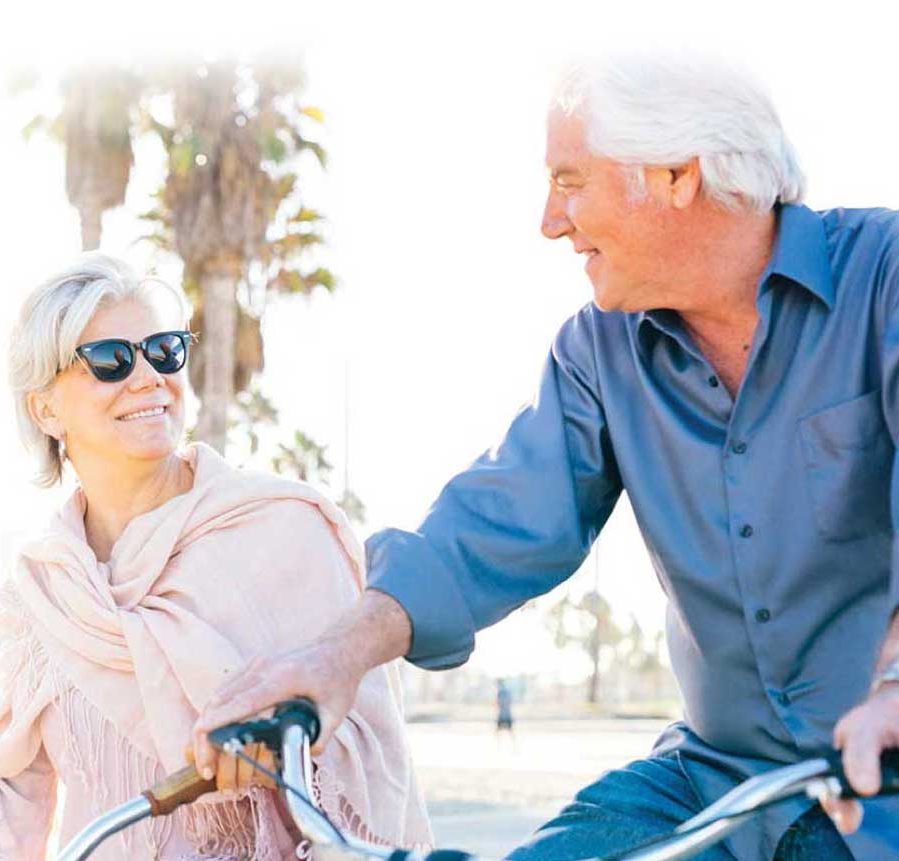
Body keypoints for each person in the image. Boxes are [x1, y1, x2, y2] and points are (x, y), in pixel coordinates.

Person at [191, 54, 899, 861]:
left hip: (881, 780)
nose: (550, 221)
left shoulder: (884, 277)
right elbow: (491, 527)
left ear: (675, 174)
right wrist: (333, 656)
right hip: (713, 777)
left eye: (570, 181)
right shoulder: (599, 350)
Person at [0, 256, 433, 860]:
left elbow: (370, 774)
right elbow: (2, 800)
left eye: (165, 352)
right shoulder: (42, 592)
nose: (148, 378)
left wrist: (281, 752)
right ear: (46, 408)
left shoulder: (287, 530)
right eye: (110, 359)